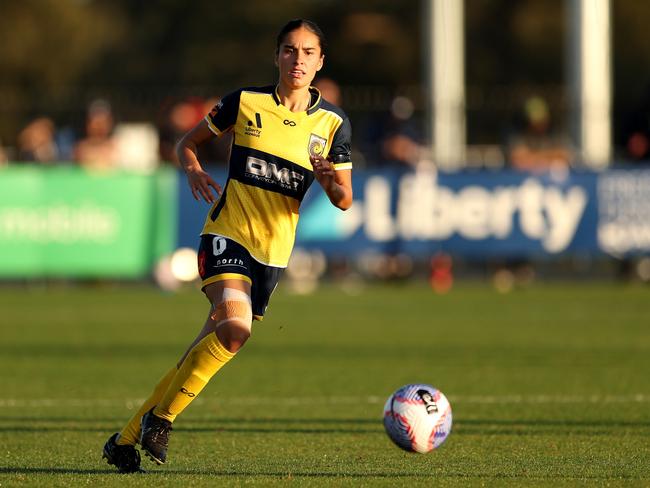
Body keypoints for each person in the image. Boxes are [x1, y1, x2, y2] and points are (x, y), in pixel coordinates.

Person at [102, 19, 353, 473]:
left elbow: (344, 199)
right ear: (277, 55)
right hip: (226, 233)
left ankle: (124, 441)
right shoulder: (246, 102)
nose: (298, 60)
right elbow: (188, 142)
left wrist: (326, 176)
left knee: (202, 349)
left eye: (307, 52)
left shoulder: (333, 123)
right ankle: (162, 420)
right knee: (235, 331)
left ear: (321, 61)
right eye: (289, 50)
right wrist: (194, 168)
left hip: (272, 255)